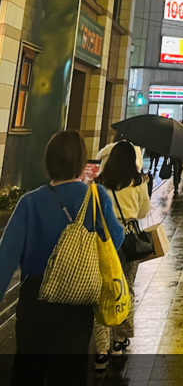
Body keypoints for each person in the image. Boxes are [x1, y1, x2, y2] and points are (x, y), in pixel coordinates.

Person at [0, 130, 124, 386]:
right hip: (77, 304)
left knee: (27, 371)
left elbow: (5, 259)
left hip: (35, 301)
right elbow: (116, 239)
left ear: (48, 161)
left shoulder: (29, 203)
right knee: (70, 373)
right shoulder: (96, 197)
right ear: (81, 163)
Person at [93, 141, 151, 370]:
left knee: (103, 289)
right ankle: (119, 341)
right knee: (126, 287)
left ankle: (100, 351)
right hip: (129, 241)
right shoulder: (138, 183)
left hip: (105, 240)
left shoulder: (100, 184)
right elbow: (143, 212)